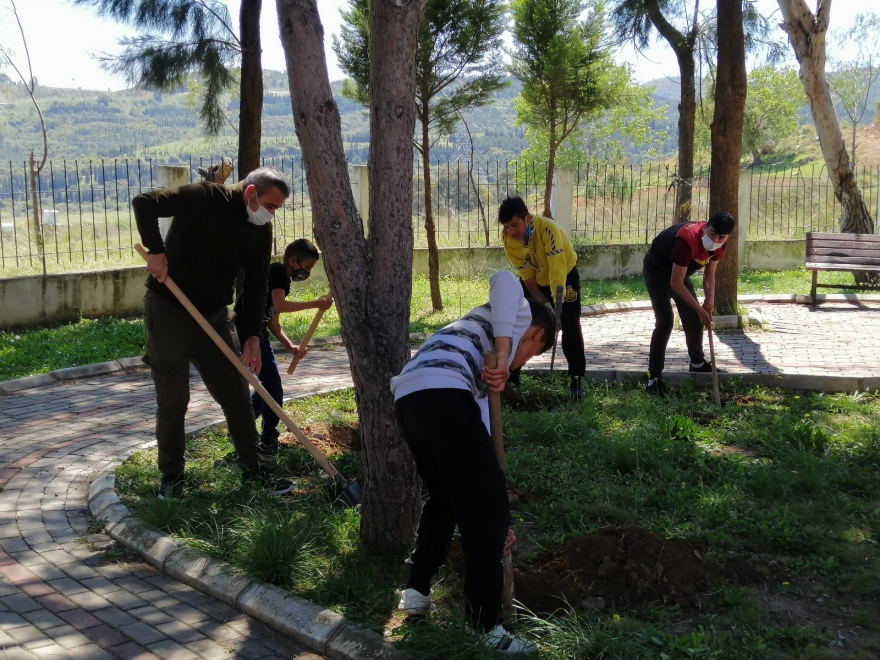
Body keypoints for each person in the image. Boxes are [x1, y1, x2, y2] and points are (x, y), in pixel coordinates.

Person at [390, 270, 555, 655]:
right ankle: (485, 626)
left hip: (412, 400)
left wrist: (495, 514)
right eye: (533, 354)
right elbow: (505, 278)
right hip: (443, 392)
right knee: (486, 507)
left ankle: (416, 592)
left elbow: (478, 431)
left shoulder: (477, 358)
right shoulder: (516, 315)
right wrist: (505, 352)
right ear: (536, 335)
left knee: (447, 498)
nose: (523, 363)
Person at [132, 166, 294, 500]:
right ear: (251, 193)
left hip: (216, 317)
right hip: (169, 310)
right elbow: (144, 203)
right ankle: (172, 478)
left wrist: (252, 335)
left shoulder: (259, 231)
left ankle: (254, 469)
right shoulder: (203, 196)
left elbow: (257, 284)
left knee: (236, 395)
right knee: (174, 401)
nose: (272, 214)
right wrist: (156, 251)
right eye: (270, 206)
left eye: (277, 209)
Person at [234, 239, 333, 454]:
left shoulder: (281, 278)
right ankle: (268, 439)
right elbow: (280, 305)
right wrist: (315, 303)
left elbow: (273, 320)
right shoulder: (277, 272)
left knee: (267, 388)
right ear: (293, 261)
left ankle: (240, 428)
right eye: (307, 267)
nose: (307, 272)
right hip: (247, 335)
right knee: (273, 388)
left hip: (257, 333)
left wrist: (290, 346)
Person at [498, 196, 586, 399]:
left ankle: (576, 379)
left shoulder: (548, 230)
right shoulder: (508, 240)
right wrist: (536, 299)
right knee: (520, 321)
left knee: (570, 324)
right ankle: (512, 375)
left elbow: (557, 270)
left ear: (528, 218)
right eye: (507, 227)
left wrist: (557, 306)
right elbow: (525, 272)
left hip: (564, 276)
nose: (511, 231)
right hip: (536, 279)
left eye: (515, 225)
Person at [642, 210, 736, 396]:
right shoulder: (686, 240)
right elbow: (675, 283)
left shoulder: (720, 246)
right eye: (712, 233)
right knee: (665, 321)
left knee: (692, 318)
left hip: (679, 272)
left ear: (727, 237)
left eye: (722, 237)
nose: (715, 240)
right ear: (706, 227)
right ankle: (654, 378)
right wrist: (700, 309)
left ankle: (698, 364)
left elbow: (709, 274)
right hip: (657, 272)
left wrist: (709, 300)